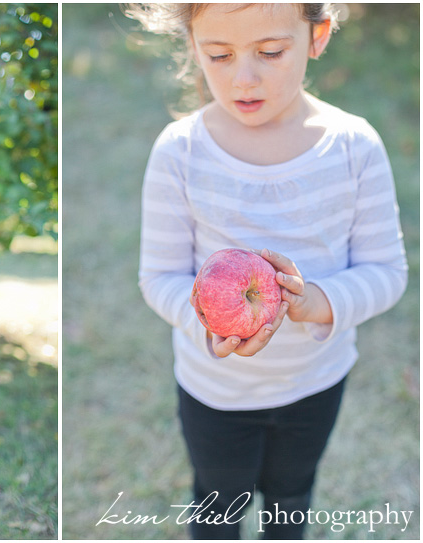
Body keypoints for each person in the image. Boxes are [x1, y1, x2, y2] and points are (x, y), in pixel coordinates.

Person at [128, 3, 408, 539]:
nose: (244, 77)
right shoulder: (181, 152)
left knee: (290, 501)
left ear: (317, 35)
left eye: (271, 52)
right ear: (193, 45)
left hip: (316, 384)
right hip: (216, 389)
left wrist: (316, 299)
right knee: (216, 506)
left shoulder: (354, 148)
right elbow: (158, 276)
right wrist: (212, 323)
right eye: (219, 55)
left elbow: (387, 270)